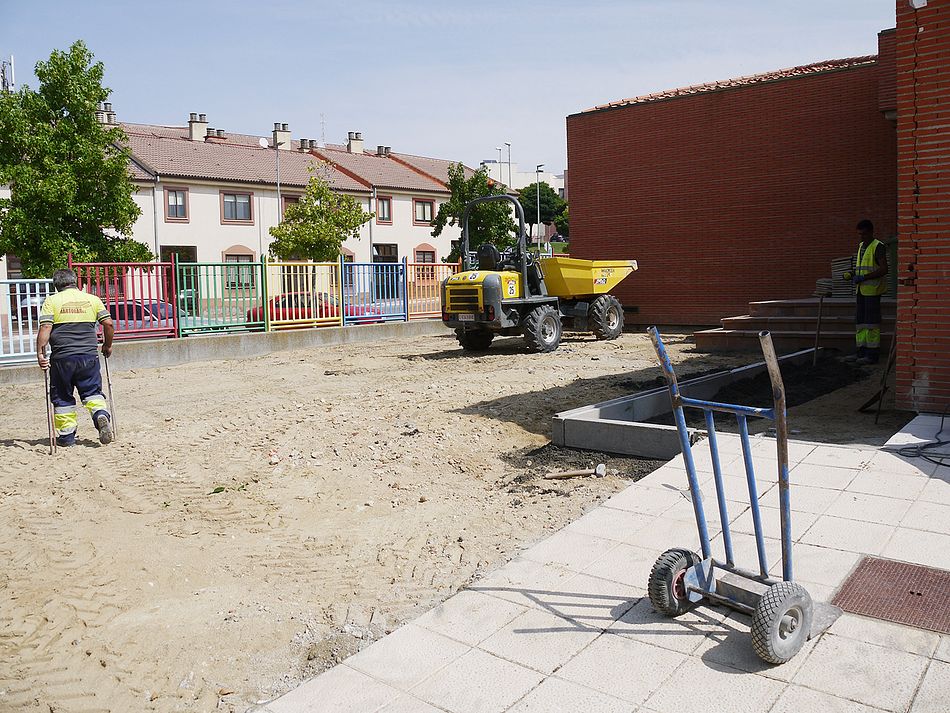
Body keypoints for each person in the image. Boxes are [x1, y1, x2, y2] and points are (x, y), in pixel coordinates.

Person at [36, 269, 114, 446]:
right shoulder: (92, 300)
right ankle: (100, 415)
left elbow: (46, 328)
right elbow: (108, 323)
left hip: (62, 358)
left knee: (63, 397)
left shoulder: (52, 301)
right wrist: (107, 345)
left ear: (56, 285)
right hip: (89, 356)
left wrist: (40, 353)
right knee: (92, 392)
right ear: (75, 282)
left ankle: (67, 436)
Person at [844, 219, 888, 365]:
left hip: (873, 291)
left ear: (871, 232)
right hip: (861, 291)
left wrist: (864, 277)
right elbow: (862, 267)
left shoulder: (878, 246)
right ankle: (860, 352)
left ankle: (872, 355)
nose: (861, 237)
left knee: (872, 324)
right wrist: (852, 273)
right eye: (859, 234)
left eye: (863, 234)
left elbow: (883, 269)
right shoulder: (861, 246)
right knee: (861, 323)